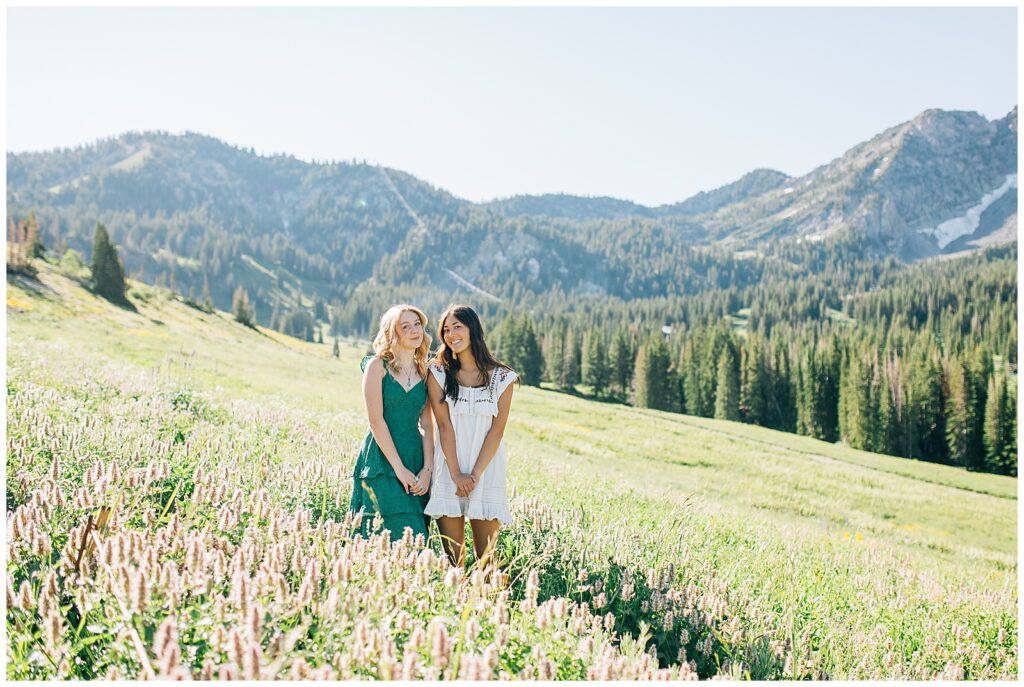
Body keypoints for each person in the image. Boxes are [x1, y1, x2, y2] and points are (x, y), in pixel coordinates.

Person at [424, 304, 517, 567]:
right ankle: (457, 607)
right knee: (454, 562)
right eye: (446, 329)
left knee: (487, 561)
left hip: (485, 472)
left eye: (457, 327)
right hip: (449, 470)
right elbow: (443, 426)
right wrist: (456, 474)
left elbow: (497, 432)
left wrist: (473, 475)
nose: (451, 334)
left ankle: (490, 607)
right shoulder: (438, 373)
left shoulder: (502, 377)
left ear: (472, 329)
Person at [349, 304, 435, 543]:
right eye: (405, 326)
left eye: (417, 324)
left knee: (416, 536)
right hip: (382, 459)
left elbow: (428, 425)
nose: (414, 330)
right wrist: (398, 469)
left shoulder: (424, 371)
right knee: (378, 532)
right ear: (392, 333)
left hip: (415, 457)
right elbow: (376, 421)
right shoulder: (377, 367)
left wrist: (427, 470)